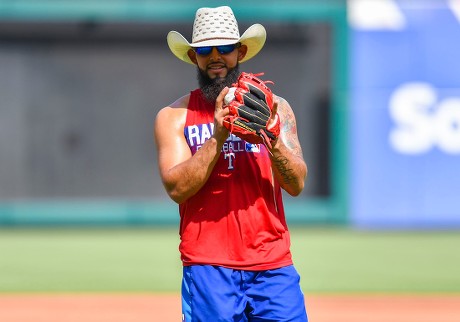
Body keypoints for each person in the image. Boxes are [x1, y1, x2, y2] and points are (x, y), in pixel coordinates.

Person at [154, 6, 308, 322]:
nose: (215, 57)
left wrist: (272, 139)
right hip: (208, 267)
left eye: (224, 48)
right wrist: (217, 137)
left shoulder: (276, 109)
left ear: (240, 51)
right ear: (193, 56)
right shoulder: (173, 116)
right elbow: (177, 189)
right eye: (204, 50)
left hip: (272, 264)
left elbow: (296, 184)